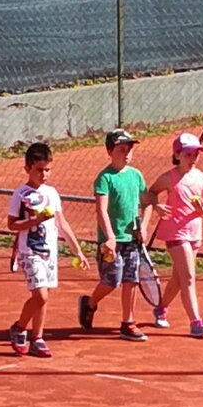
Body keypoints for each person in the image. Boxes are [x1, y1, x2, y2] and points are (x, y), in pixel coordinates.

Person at [7, 142, 89, 358]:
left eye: (47, 170)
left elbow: (62, 224)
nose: (44, 174)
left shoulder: (52, 193)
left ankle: (38, 338)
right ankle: (19, 328)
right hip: (29, 252)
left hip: (49, 253)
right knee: (40, 295)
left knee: (44, 296)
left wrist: (77, 251)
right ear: (27, 169)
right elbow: (12, 225)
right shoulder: (20, 195)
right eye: (39, 170)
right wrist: (37, 219)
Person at [77, 128, 151, 342]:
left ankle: (128, 323)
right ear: (110, 151)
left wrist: (144, 226)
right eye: (121, 149)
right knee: (112, 281)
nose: (126, 153)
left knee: (131, 279)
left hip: (132, 239)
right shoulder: (104, 178)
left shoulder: (136, 175)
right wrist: (109, 237)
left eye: (129, 149)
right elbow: (101, 210)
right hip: (110, 242)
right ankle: (90, 303)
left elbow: (147, 203)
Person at [143, 132, 203, 338]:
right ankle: (196, 322)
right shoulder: (168, 178)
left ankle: (160, 308)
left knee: (179, 277)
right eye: (188, 154)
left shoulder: (202, 178)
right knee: (189, 277)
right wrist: (157, 206)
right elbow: (150, 193)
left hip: (195, 232)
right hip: (175, 232)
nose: (193, 158)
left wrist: (202, 208)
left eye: (196, 154)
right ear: (177, 155)